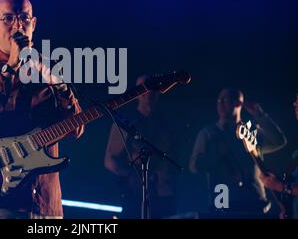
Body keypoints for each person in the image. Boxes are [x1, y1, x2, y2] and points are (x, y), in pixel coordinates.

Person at [0, 0, 84, 219]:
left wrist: (61, 86)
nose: (18, 26)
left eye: (25, 18)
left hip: (46, 203)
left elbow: (75, 129)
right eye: (8, 18)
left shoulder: (48, 69)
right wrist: (11, 68)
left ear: (33, 24)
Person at [189, 87, 287, 218]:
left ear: (238, 103)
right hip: (222, 199)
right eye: (219, 100)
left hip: (253, 200)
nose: (221, 103)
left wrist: (260, 115)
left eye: (226, 99)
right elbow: (194, 166)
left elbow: (279, 141)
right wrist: (217, 153)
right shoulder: (208, 134)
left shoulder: (250, 132)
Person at [104, 75, 178, 219]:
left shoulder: (167, 123)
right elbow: (110, 160)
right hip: (134, 195)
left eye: (153, 88)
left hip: (162, 194)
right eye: (144, 89)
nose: (148, 92)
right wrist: (132, 176)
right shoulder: (125, 123)